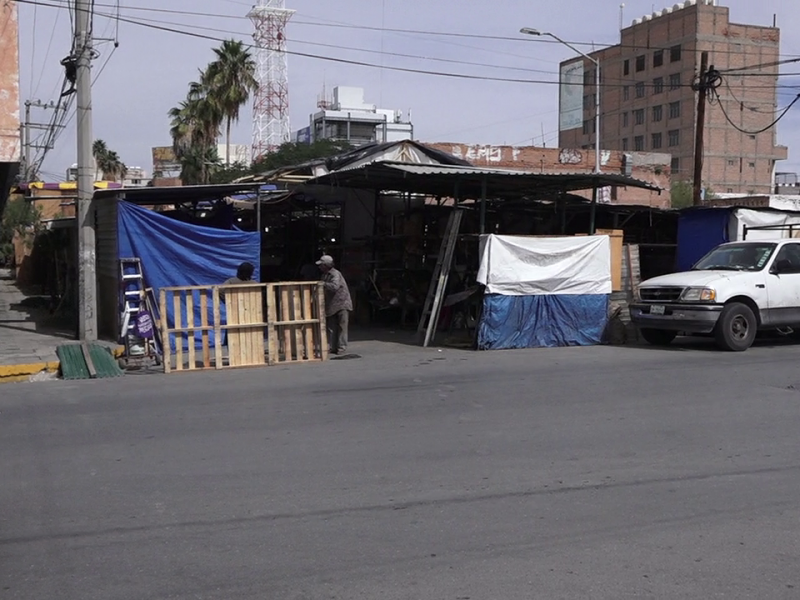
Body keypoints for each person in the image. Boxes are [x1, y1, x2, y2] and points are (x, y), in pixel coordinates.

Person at [317, 254, 352, 355]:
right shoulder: (325, 275)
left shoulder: (335, 274)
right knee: (331, 327)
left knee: (342, 326)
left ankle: (341, 347)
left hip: (342, 303)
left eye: (321, 265)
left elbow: (335, 286)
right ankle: (333, 347)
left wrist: (323, 284)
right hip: (332, 304)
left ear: (326, 265)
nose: (320, 267)